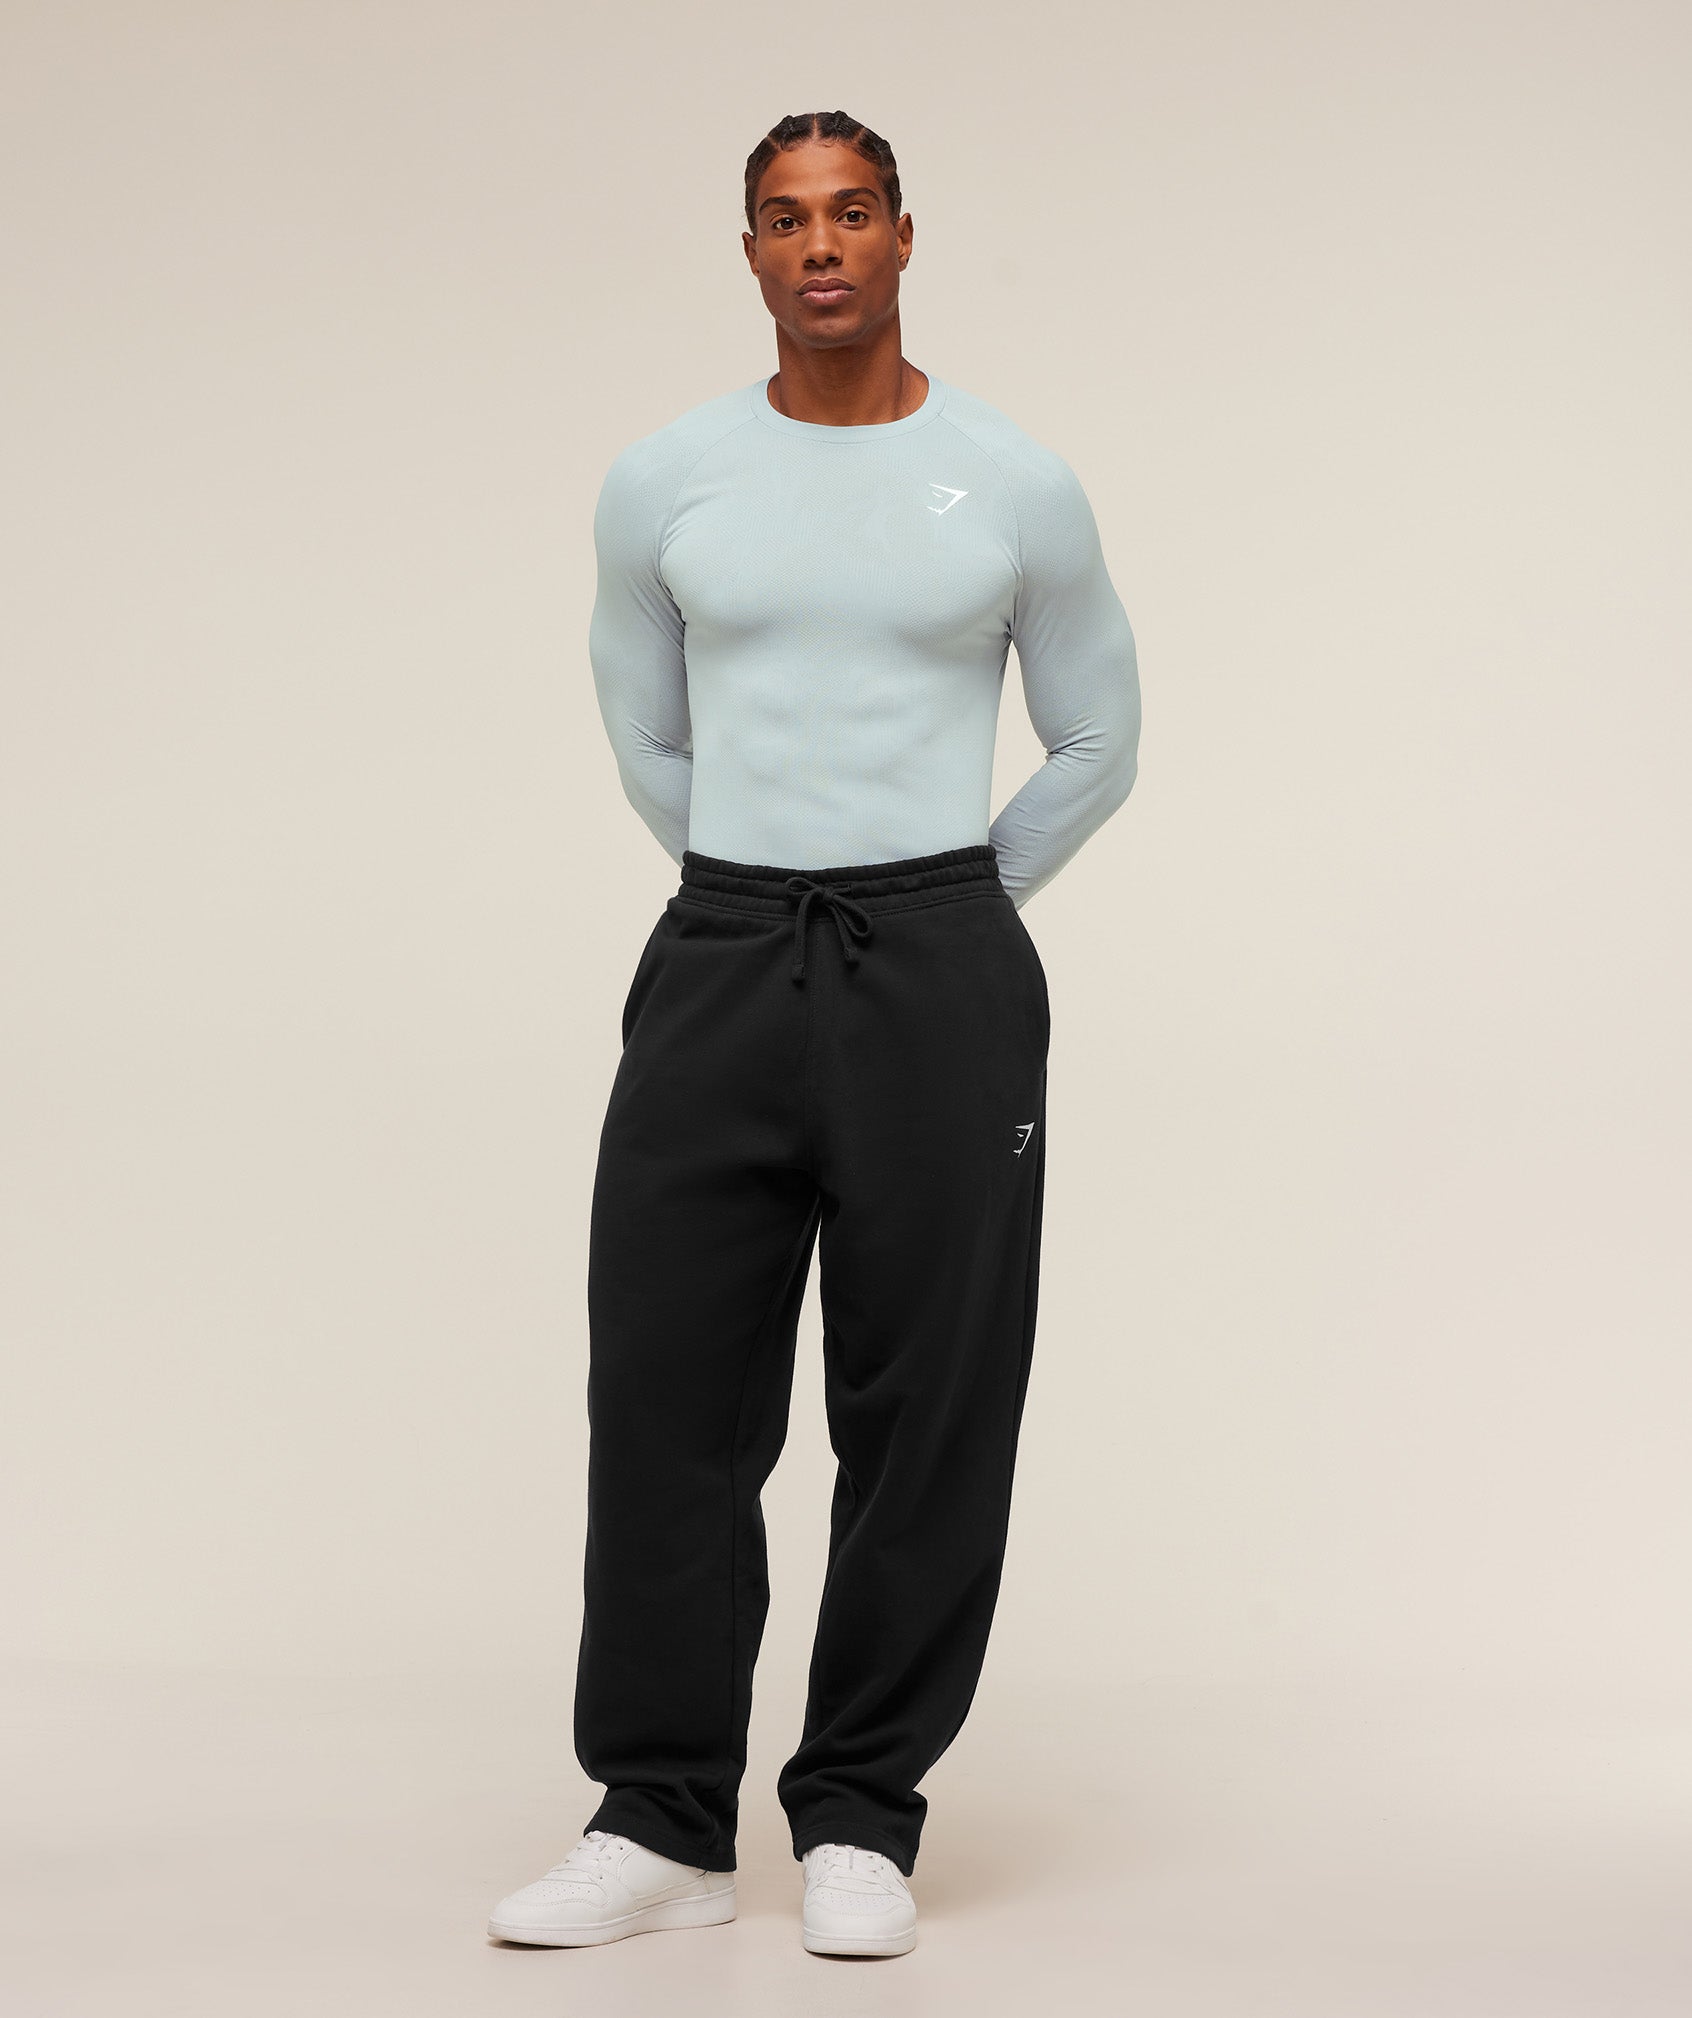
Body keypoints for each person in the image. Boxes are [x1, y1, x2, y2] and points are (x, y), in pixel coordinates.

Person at [488, 107, 1141, 1961]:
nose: (823, 245)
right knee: (668, 1388)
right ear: (752, 253)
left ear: (905, 236)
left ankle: (859, 1808)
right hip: (724, 945)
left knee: (927, 1400)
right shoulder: (666, 479)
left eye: (853, 212)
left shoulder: (1010, 481)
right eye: (787, 219)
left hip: (937, 954)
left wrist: (949, 904)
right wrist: (755, 882)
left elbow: (1100, 733)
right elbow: (646, 730)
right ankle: (662, 1818)